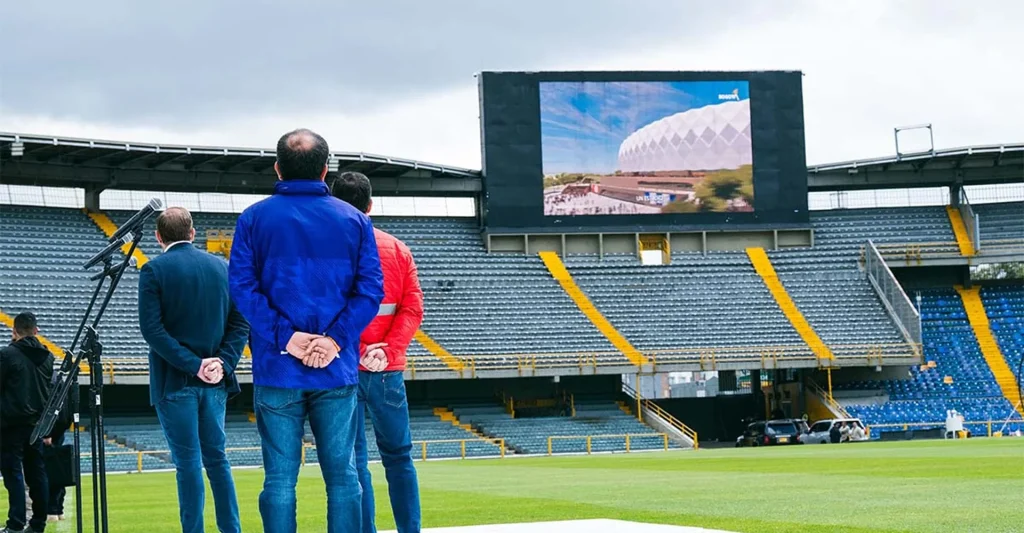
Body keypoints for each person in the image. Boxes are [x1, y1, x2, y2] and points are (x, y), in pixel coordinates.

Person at [230, 129, 384, 533]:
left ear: (277, 167)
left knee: (280, 480)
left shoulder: (253, 219)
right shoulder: (354, 220)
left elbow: (243, 290)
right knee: (343, 476)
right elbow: (370, 292)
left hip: (278, 368)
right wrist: (332, 340)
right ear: (325, 169)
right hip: (335, 369)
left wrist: (288, 338)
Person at [138, 207, 249, 533]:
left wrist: (193, 365)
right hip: (215, 382)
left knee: (187, 464)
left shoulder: (153, 270)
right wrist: (223, 363)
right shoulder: (223, 267)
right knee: (218, 460)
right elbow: (241, 322)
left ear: (159, 237)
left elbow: (152, 331)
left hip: (176, 382)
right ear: (192, 232)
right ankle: (232, 529)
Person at [332, 171, 424, 533]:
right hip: (387, 368)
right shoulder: (398, 249)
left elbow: (327, 313)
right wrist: (387, 351)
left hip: (344, 367)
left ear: (334, 203)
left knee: (355, 461)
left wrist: (359, 350)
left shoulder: (328, 253)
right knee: (399, 457)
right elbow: (412, 308)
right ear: (370, 205)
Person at [1, 312, 54, 533]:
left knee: (13, 474)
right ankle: (38, 522)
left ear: (14, 331)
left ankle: (15, 523)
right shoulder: (48, 357)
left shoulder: (7, 355)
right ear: (36, 330)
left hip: (10, 424)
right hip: (37, 425)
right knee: (37, 473)